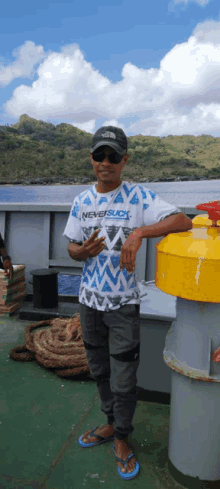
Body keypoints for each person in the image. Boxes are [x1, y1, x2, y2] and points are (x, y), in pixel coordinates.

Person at [63, 126, 192, 480]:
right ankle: (109, 424)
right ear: (91, 159)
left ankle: (122, 438)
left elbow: (182, 221)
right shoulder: (81, 202)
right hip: (89, 304)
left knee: (123, 377)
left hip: (122, 306)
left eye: (113, 156)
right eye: (100, 155)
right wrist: (82, 251)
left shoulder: (139, 198)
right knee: (100, 372)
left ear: (124, 160)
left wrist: (139, 232)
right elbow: (71, 248)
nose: (106, 163)